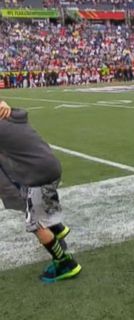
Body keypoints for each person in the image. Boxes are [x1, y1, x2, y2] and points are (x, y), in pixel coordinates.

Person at [0, 103, 81, 282]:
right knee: (42, 208)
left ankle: (64, 263)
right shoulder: (10, 115)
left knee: (35, 224)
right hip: (51, 167)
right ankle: (57, 229)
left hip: (37, 174)